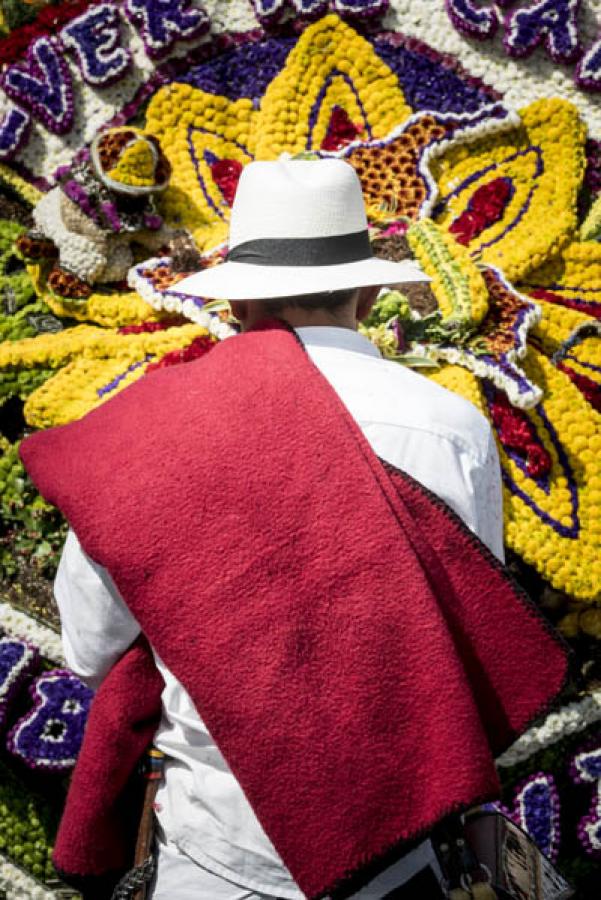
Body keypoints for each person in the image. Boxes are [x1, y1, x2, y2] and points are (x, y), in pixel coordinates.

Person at [21, 159, 567, 900]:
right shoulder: (449, 425)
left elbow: (90, 647)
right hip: (398, 850)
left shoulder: (150, 427)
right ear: (370, 292)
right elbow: (466, 633)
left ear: (237, 300)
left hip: (214, 852)